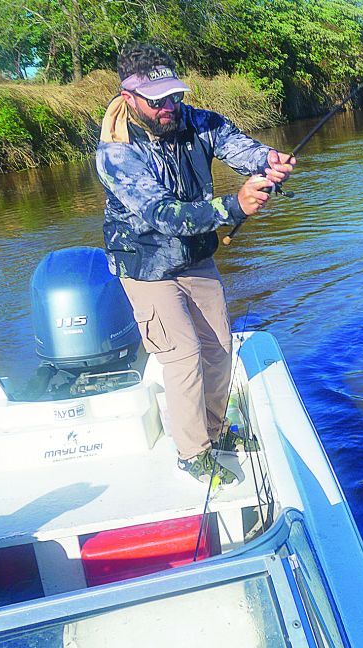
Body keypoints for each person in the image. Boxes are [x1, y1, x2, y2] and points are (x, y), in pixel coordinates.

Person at [96, 43, 295, 488]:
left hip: (194, 256)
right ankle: (192, 454)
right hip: (145, 263)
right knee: (183, 354)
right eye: (157, 101)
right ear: (129, 98)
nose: (169, 106)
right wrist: (234, 206)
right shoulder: (116, 152)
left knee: (219, 347)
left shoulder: (197, 121)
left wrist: (269, 161)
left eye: (173, 96)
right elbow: (163, 215)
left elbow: (239, 147)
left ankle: (215, 431)